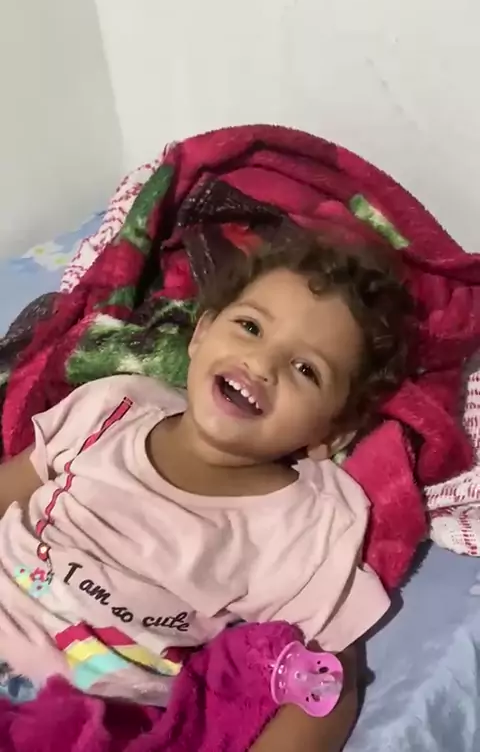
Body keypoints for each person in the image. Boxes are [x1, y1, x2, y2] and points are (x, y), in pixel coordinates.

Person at [0, 232, 411, 750]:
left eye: (306, 369)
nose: (261, 364)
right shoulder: (113, 407)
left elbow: (328, 682)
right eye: (250, 327)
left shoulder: (304, 525)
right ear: (201, 333)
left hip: (74, 720)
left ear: (331, 433)